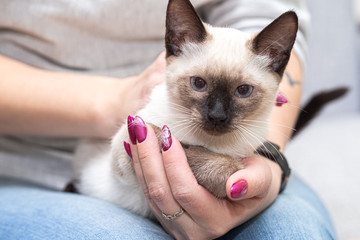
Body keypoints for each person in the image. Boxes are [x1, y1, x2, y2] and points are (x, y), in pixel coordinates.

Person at [0, 0, 336, 239]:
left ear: (275, 62)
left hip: (249, 141)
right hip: (35, 168)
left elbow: (261, 10)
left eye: (243, 91)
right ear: (175, 44)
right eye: (199, 85)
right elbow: (123, 161)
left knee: (294, 233)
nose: (217, 114)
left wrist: (271, 158)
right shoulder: (163, 106)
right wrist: (116, 103)